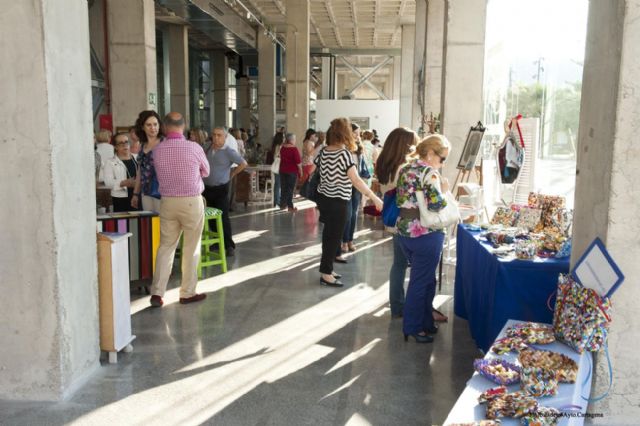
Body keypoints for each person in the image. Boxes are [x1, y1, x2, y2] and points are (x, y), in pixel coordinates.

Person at [148, 112, 210, 307]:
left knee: (166, 247)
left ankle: (157, 293)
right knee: (191, 247)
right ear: (183, 127)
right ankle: (187, 293)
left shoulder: (158, 150)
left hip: (167, 202)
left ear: (165, 128)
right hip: (191, 201)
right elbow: (206, 171)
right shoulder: (194, 147)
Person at [395, 134, 451, 343]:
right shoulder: (430, 173)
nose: (442, 163)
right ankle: (413, 326)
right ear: (429, 153)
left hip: (405, 232)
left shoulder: (405, 169)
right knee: (421, 281)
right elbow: (437, 205)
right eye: (442, 158)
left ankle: (426, 322)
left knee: (427, 279)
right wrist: (444, 192)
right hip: (426, 233)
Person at [314, 118, 383, 287]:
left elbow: (319, 173)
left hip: (325, 199)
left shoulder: (324, 151)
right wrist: (374, 197)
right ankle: (326, 273)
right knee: (333, 237)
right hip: (339, 201)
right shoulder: (343, 154)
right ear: (344, 133)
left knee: (329, 236)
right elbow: (356, 180)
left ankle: (327, 270)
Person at [375, 127, 419, 319]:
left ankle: (397, 304)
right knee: (406, 264)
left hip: (393, 218)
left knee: (399, 264)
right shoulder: (404, 168)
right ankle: (400, 306)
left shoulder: (385, 164)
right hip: (406, 221)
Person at [202, 127, 248, 257]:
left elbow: (243, 163)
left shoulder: (229, 151)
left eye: (219, 135)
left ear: (225, 137)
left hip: (221, 188)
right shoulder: (207, 148)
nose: (216, 138)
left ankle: (229, 245)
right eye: (214, 135)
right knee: (210, 218)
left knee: (223, 217)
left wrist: (232, 174)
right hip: (206, 188)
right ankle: (218, 242)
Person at [131, 110, 163, 212]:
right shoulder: (142, 145)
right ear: (142, 127)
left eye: (155, 124)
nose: (153, 128)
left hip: (162, 192)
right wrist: (136, 194)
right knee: (150, 225)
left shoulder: (164, 142)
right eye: (149, 125)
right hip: (145, 192)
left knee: (164, 225)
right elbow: (140, 171)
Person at [103, 132, 138, 212]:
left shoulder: (137, 158)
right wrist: (124, 183)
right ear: (115, 147)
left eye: (126, 142)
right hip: (120, 198)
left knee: (138, 222)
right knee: (122, 223)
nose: (125, 145)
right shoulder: (110, 162)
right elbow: (108, 182)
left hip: (138, 196)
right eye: (121, 143)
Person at [279, 133, 302, 212]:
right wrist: (301, 171)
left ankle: (282, 205)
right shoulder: (294, 149)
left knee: (284, 188)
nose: (295, 141)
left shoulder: (282, 148)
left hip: (282, 171)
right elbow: (298, 162)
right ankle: (290, 207)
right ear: (291, 140)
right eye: (295, 139)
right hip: (292, 171)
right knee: (290, 189)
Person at [267, 132, 285, 208]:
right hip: (279, 167)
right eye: (283, 137)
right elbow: (279, 156)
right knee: (278, 185)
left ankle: (277, 201)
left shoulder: (275, 146)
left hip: (276, 167)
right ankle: (277, 201)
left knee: (278, 184)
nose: (284, 138)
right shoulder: (280, 146)